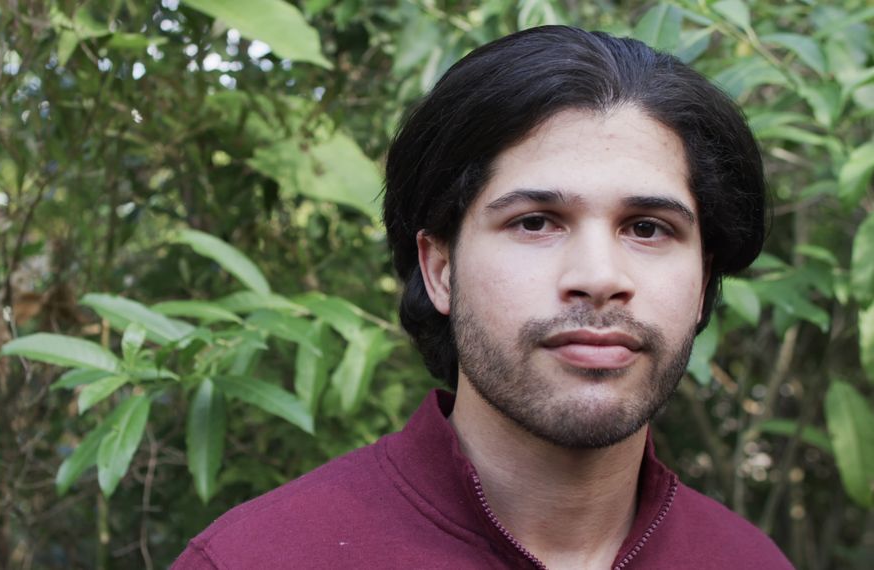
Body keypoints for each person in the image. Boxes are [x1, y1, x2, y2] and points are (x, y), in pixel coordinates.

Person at [174, 25, 793, 569]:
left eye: (648, 229)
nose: (600, 276)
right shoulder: (254, 558)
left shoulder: (750, 561)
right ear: (440, 267)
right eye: (535, 222)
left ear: (704, 279)